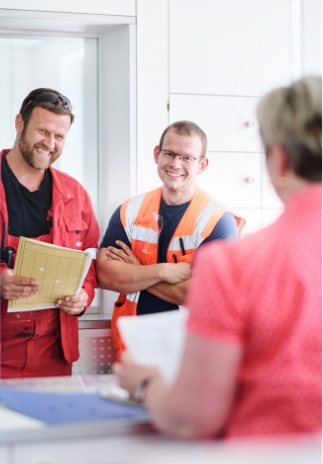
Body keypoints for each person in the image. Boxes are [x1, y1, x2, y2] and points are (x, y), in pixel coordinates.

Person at [113, 76, 322, 439]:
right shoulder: (132, 209)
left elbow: (192, 418)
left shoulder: (236, 263)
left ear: (281, 159)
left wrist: (145, 384)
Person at [97, 121, 245, 358]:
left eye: (187, 157)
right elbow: (104, 275)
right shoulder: (130, 210)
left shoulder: (217, 221)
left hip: (189, 360)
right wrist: (163, 271)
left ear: (202, 165)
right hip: (132, 353)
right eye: (169, 153)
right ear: (157, 154)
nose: (176, 164)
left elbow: (203, 296)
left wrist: (137, 271)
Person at [0, 88, 100, 379]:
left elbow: (90, 262)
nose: (50, 143)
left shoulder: (76, 195)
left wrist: (84, 295)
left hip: (52, 356)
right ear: (20, 124)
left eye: (59, 136)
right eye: (42, 131)